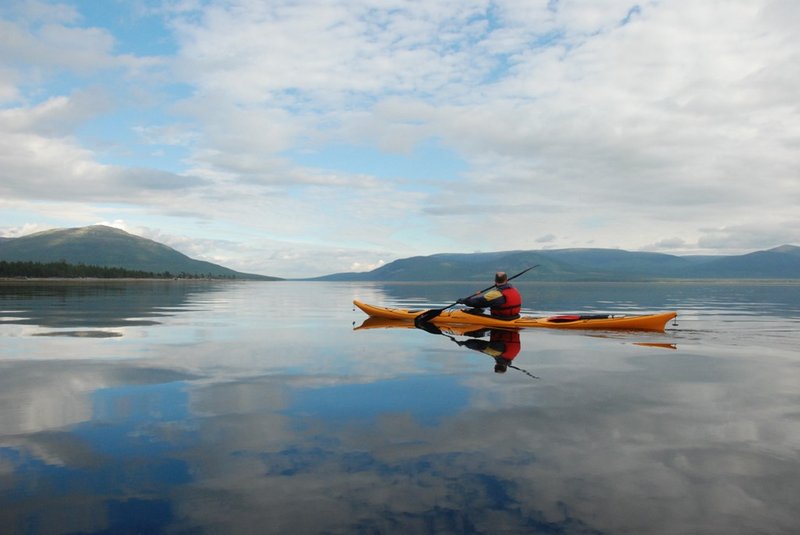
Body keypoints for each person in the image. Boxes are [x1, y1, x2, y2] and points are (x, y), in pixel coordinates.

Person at [456, 271, 522, 320]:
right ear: (507, 280)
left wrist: (464, 301)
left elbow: (478, 302)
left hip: (502, 319)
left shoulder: (495, 294)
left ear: (495, 281)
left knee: (478, 309)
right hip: (515, 316)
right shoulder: (514, 290)